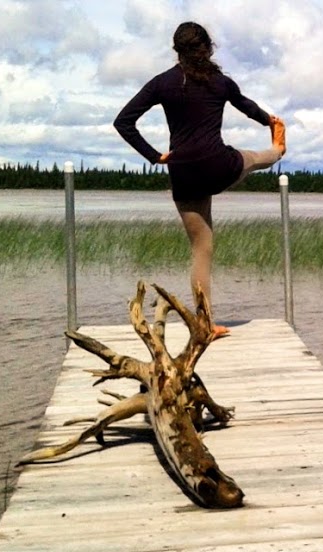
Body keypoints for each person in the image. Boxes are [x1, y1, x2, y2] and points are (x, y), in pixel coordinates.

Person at [114, 21, 286, 338]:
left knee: (201, 250)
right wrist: (271, 121)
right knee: (257, 158)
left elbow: (123, 122)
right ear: (207, 48)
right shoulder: (220, 82)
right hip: (218, 167)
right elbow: (248, 108)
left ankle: (205, 324)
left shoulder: (162, 83)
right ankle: (278, 148)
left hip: (183, 173)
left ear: (177, 51)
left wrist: (154, 156)